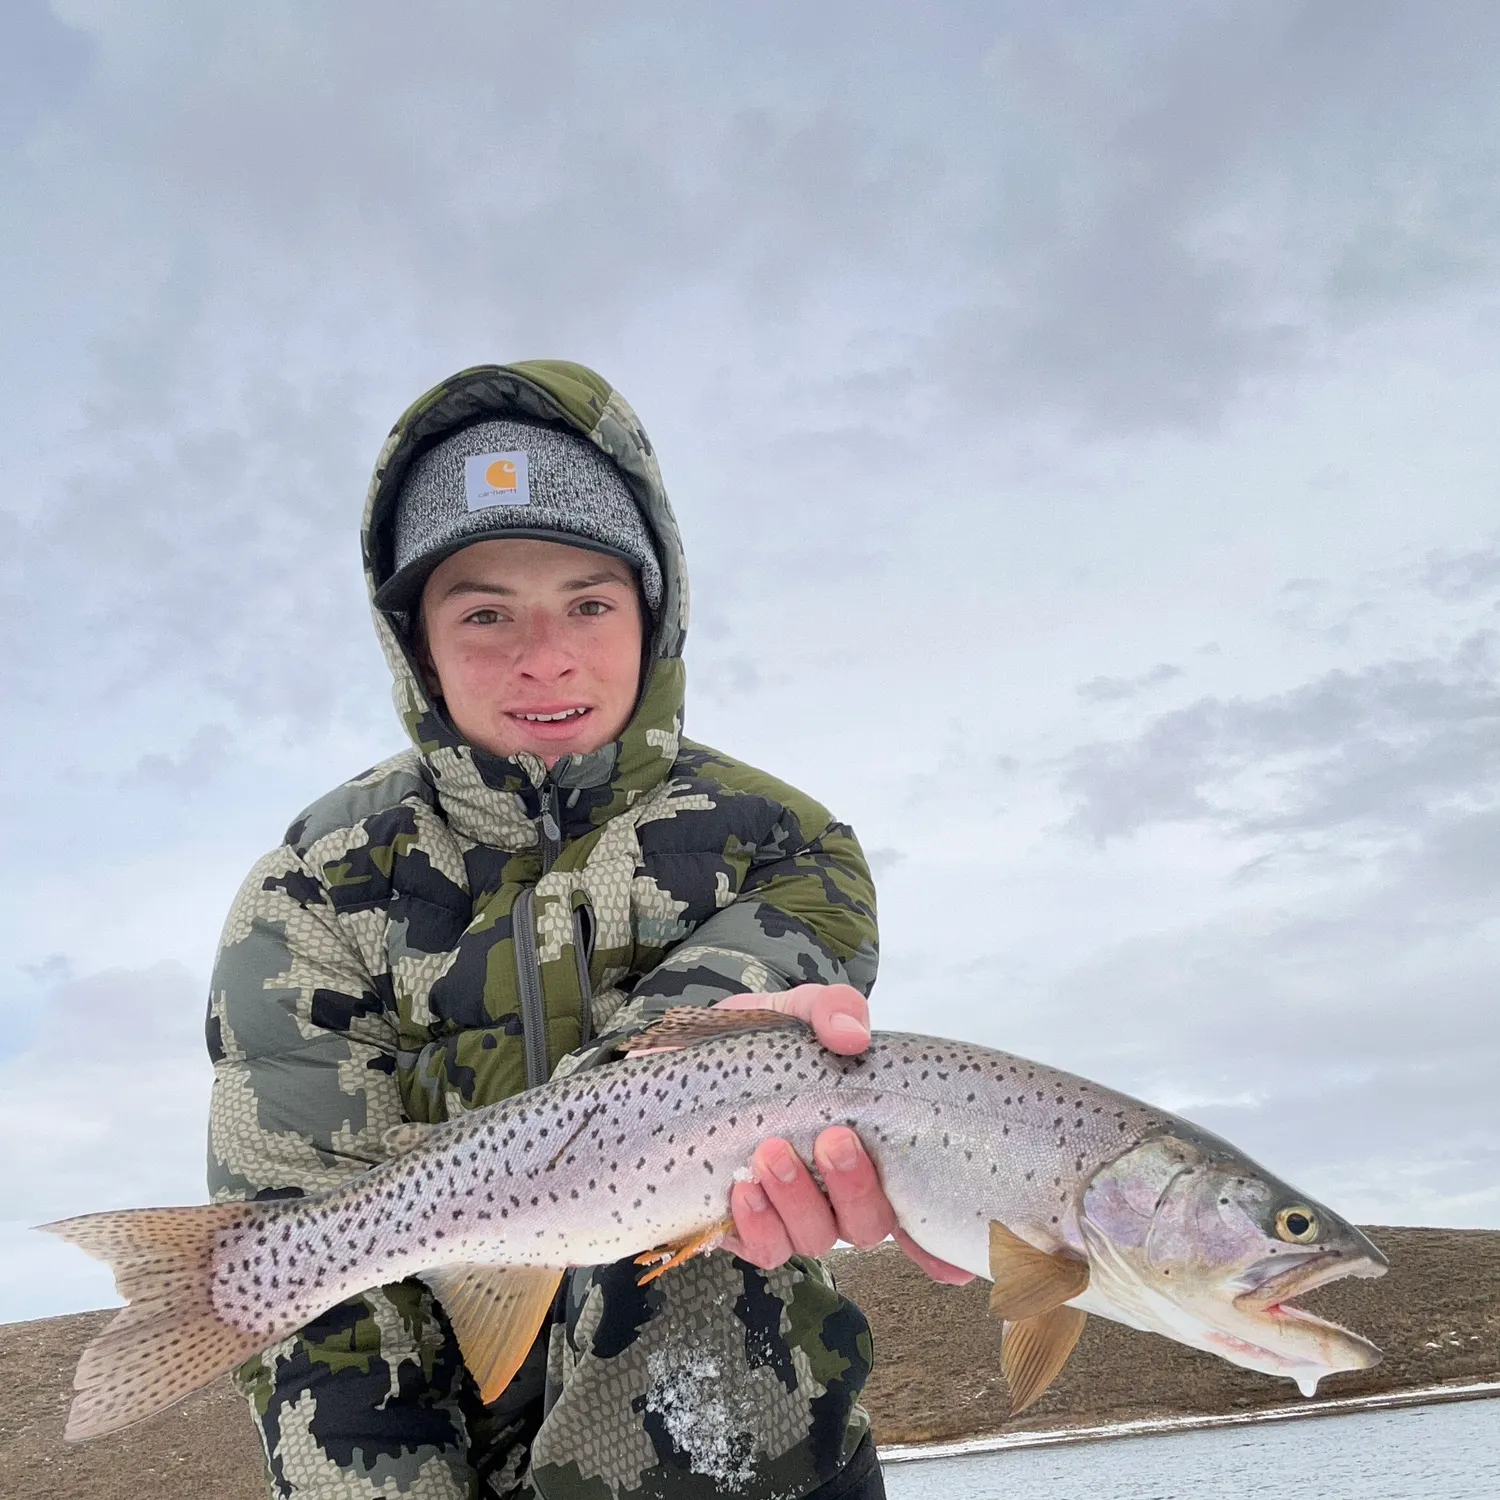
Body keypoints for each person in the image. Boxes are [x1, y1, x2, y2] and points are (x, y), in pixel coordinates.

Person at [206, 360, 966, 1500]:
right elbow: (315, 1290)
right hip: (440, 1453)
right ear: (414, 641)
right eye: (484, 613)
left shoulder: (784, 844)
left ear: (653, 611)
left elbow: (658, 1093)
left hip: (746, 1458)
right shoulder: (315, 889)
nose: (544, 657)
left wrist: (749, 1062)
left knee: (713, 1199)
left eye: (589, 602)